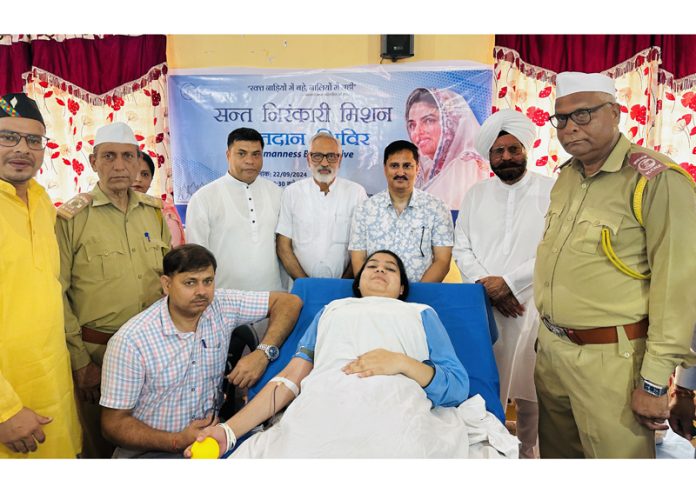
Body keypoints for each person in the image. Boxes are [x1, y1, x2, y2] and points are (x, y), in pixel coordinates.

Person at [185, 250, 518, 458]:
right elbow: (288, 380)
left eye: (391, 268)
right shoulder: (333, 309)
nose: (380, 270)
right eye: (372, 265)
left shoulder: (420, 312)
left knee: (404, 452)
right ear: (358, 283)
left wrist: (400, 363)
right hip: (326, 404)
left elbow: (456, 385)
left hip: (397, 407)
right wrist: (228, 432)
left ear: (402, 287)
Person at [534, 72, 696, 458]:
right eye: (562, 118)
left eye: (584, 114)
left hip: (612, 364)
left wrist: (656, 382)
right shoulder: (567, 177)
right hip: (553, 354)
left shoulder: (655, 180)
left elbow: (677, 289)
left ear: (616, 113)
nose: (571, 127)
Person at [99, 244, 301, 458]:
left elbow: (289, 302)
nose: (202, 291)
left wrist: (262, 353)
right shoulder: (132, 341)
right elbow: (113, 425)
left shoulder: (220, 305)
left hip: (210, 442)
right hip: (151, 451)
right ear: (166, 285)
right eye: (190, 283)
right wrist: (176, 440)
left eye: (208, 281)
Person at [56, 121, 172, 458]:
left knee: (150, 444)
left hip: (153, 352)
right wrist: (80, 362)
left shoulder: (153, 213)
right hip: (98, 356)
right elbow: (57, 293)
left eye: (127, 156)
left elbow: (168, 280)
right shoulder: (72, 219)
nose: (119, 166)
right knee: (102, 449)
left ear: (139, 161)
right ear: (93, 162)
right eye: (108, 157)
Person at [453, 109, 553, 459]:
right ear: (489, 156)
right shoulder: (475, 194)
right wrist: (488, 287)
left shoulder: (551, 190)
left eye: (513, 149)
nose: (506, 157)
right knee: (486, 385)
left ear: (526, 149)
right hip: (485, 307)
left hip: (532, 306)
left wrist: (509, 283)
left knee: (532, 395)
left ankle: (528, 456)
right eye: (499, 151)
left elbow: (554, 248)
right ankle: (490, 455)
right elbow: (461, 246)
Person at [0, 93, 80, 458]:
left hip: (51, 385)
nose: (22, 149)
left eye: (33, 140)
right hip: (10, 404)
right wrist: (5, 411)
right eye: (8, 137)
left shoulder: (40, 199)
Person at [186, 127, 284, 343]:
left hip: (271, 301)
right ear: (228, 154)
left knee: (267, 364)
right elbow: (196, 257)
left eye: (256, 154)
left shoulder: (276, 193)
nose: (250, 160)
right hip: (223, 305)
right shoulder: (204, 198)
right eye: (242, 153)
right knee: (228, 370)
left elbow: (283, 248)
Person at [349, 140, 454, 283]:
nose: (400, 172)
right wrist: (373, 291)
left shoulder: (437, 208)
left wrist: (417, 294)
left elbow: (442, 261)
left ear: (417, 168)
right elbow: (358, 259)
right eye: (394, 166)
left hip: (421, 297)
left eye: (407, 166)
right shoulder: (364, 210)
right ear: (385, 169)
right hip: (376, 297)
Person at [276, 132, 366, 281]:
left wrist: (343, 285)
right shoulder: (292, 192)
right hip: (301, 288)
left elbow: (361, 247)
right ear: (308, 159)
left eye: (331, 156)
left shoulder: (356, 193)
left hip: (344, 289)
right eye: (317, 156)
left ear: (340, 160)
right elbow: (283, 246)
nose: (324, 163)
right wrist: (306, 284)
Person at [405, 87, 489, 209]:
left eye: (428, 121)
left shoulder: (468, 167)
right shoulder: (424, 169)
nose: (417, 132)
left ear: (450, 121)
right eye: (412, 125)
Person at [131, 152, 186, 247]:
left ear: (151, 179)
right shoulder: (108, 209)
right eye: (132, 173)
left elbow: (174, 250)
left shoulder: (163, 211)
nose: (138, 179)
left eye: (145, 174)